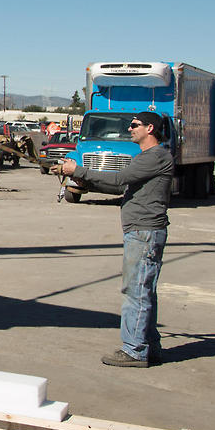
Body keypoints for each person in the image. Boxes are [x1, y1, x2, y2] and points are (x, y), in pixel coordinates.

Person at [58, 110, 173, 368]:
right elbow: (122, 186)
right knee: (144, 292)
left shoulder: (154, 156)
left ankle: (134, 350)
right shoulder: (148, 158)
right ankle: (149, 346)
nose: (130, 129)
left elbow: (120, 178)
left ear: (150, 129)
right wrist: (81, 178)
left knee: (136, 291)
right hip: (141, 231)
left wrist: (80, 170)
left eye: (134, 125)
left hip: (144, 232)